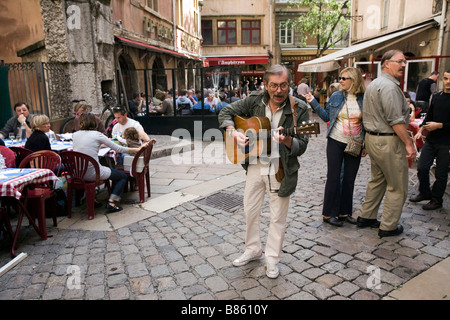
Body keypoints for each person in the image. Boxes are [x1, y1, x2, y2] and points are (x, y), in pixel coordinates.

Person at [218, 64, 310, 278]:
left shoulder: (300, 108)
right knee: (250, 210)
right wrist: (233, 132)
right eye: (274, 86)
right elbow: (226, 111)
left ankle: (272, 258)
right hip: (254, 164)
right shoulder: (254, 101)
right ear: (266, 85)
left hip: (281, 168)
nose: (279, 91)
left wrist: (288, 139)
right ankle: (252, 249)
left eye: (283, 85)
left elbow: (302, 144)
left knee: (277, 216)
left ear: (290, 85)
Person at [357, 50, 416, 238]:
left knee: (378, 179)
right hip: (388, 140)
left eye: (404, 62)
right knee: (397, 185)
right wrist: (408, 143)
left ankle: (366, 216)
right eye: (400, 62)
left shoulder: (374, 84)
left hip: (374, 139)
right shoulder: (389, 87)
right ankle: (388, 226)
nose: (403, 65)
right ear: (387, 64)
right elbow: (396, 120)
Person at [304, 67, 366, 227]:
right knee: (333, 177)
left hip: (355, 143)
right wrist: (313, 102)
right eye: (340, 78)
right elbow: (326, 116)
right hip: (335, 140)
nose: (341, 81)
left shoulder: (364, 98)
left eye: (344, 78)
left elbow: (367, 123)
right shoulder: (337, 96)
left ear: (354, 80)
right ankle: (328, 214)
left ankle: (345, 213)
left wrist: (365, 143)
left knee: (349, 179)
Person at [73, 113, 148, 212]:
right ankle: (112, 202)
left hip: (77, 173)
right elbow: (118, 148)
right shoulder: (97, 135)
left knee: (104, 167)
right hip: (93, 173)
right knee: (122, 176)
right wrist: (137, 149)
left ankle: (91, 199)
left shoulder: (75, 135)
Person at [409, 70, 450, 210]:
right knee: (422, 167)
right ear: (441, 79)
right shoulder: (437, 96)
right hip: (432, 140)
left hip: (446, 142)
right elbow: (429, 116)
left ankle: (437, 199)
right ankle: (425, 192)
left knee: (441, 173)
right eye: (445, 79)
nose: (448, 82)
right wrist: (421, 130)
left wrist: (440, 125)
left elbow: (438, 123)